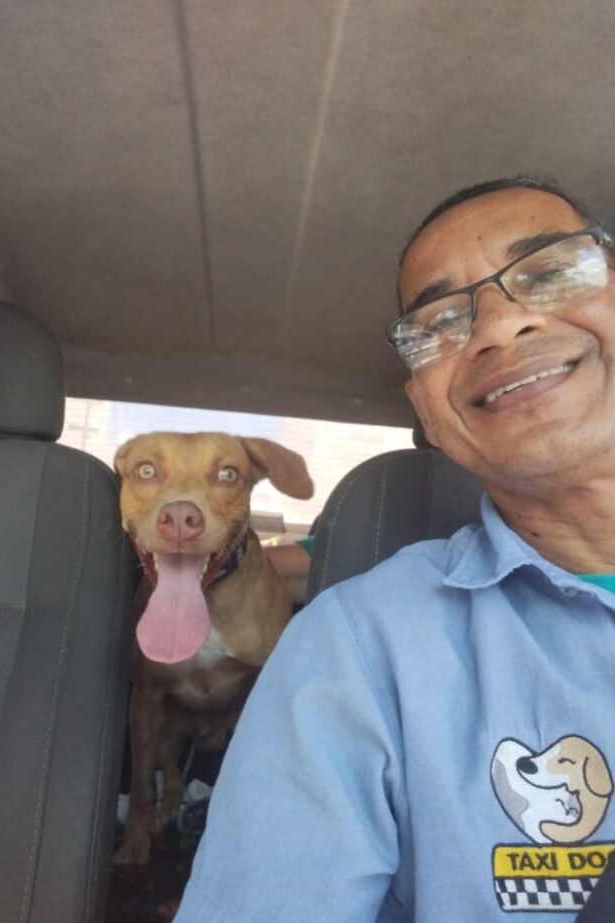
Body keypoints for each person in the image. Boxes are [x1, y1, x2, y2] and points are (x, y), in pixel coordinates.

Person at [174, 177, 615, 922]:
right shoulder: (361, 645)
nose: (500, 328)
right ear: (427, 413)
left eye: (549, 271)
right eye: (440, 321)